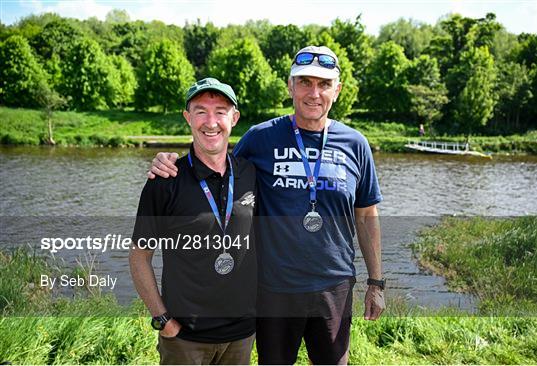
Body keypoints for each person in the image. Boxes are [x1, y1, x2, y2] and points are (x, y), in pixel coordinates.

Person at [148, 46, 385, 364]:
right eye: (304, 83)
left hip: (335, 287)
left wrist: (376, 282)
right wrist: (169, 164)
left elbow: (367, 215)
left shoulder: (355, 144)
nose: (313, 93)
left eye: (324, 84)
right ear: (290, 86)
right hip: (274, 289)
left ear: (337, 90)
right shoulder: (261, 138)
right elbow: (216, 169)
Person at [130, 78, 257, 365]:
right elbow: (139, 257)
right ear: (188, 117)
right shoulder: (165, 181)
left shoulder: (251, 173)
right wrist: (163, 320)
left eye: (220, 111)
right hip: (184, 339)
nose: (210, 122)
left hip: (242, 335)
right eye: (201, 111)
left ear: (234, 118)